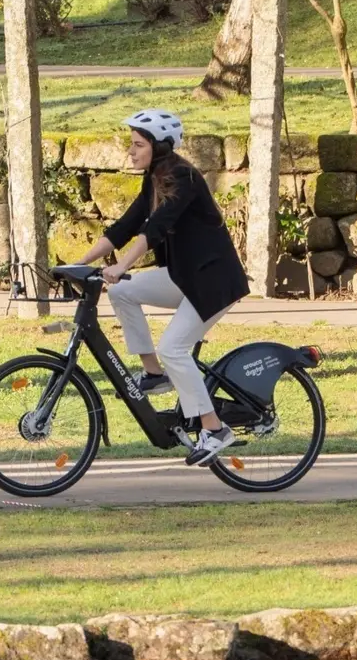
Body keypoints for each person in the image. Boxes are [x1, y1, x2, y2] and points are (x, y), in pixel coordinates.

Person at [76, 109, 250, 467]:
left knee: (174, 347)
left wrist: (122, 266)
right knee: (122, 291)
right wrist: (78, 265)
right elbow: (125, 227)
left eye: (138, 145)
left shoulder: (183, 177)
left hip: (214, 281)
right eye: (131, 144)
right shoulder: (154, 179)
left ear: (159, 147)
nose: (130, 151)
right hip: (185, 275)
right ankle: (154, 374)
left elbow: (153, 229)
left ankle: (214, 429)